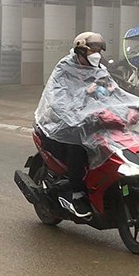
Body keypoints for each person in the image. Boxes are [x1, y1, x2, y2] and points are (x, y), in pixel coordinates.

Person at [35, 31, 108, 218]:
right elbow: (56, 94)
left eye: (98, 50)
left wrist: (125, 109)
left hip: (87, 118)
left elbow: (110, 89)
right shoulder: (65, 68)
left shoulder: (99, 68)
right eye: (92, 50)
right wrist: (69, 112)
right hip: (62, 121)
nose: (96, 54)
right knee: (78, 146)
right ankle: (77, 193)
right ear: (80, 51)